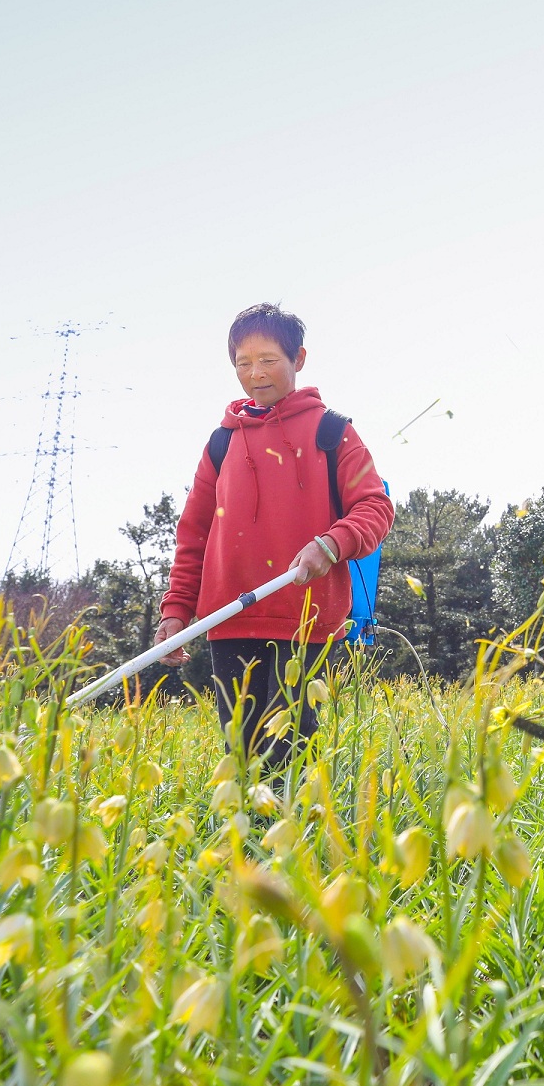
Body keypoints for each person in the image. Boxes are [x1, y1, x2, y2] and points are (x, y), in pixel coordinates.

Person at [158, 303, 395, 771]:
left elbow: (375, 506)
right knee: (241, 758)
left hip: (306, 621)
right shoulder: (221, 443)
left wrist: (333, 543)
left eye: (268, 360)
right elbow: (195, 534)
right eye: (242, 363)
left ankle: (292, 843)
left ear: (298, 359)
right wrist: (177, 611)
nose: (254, 373)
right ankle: (243, 845)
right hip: (230, 621)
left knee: (288, 755)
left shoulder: (334, 432)